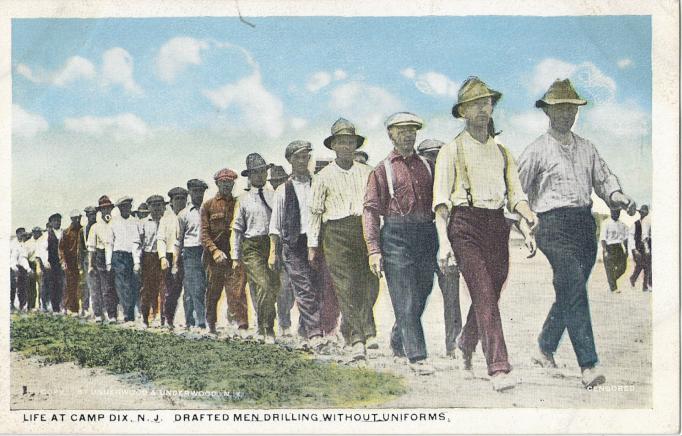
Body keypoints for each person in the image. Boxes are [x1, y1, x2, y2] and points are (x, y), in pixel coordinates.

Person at [518, 78, 636, 389]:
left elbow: (604, 179)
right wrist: (525, 223)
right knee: (572, 285)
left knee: (570, 291)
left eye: (572, 108)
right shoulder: (536, 151)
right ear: (548, 111)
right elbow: (517, 190)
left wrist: (617, 196)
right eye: (560, 108)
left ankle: (545, 347)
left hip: (586, 226)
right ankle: (589, 364)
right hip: (552, 227)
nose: (567, 114)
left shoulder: (587, 148)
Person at [433, 77, 537, 391]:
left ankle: (465, 341)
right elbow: (440, 202)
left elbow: (516, 195)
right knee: (483, 293)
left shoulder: (503, 152)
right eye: (475, 104)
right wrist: (443, 243)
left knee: (490, 293)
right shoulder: (451, 150)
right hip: (464, 226)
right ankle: (499, 367)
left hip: (497, 226)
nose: (482, 109)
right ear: (462, 111)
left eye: (487, 102)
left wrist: (528, 221)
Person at [364, 112, 439, 375]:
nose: (408, 135)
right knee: (404, 294)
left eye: (412, 130)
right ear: (390, 134)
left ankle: (398, 337)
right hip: (396, 235)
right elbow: (371, 211)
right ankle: (417, 356)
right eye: (402, 130)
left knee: (422, 291)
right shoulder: (381, 170)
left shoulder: (428, 166)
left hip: (426, 233)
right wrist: (374, 250)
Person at [309, 118, 379, 361]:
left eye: (350, 142)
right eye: (341, 142)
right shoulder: (323, 176)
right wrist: (313, 245)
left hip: (363, 230)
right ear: (333, 146)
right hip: (335, 233)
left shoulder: (368, 173)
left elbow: (376, 206)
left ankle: (362, 329)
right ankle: (358, 338)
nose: (346, 147)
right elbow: (315, 213)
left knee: (370, 284)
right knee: (346, 285)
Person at [269, 140, 329, 348]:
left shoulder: (318, 183)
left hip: (317, 242)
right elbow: (275, 225)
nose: (303, 161)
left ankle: (305, 329)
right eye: (298, 158)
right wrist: (273, 253)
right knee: (303, 287)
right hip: (293, 245)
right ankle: (314, 332)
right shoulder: (283, 190)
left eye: (306, 157)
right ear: (290, 160)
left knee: (316, 285)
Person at [417, 138, 462, 359]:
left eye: (437, 156)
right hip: (423, 246)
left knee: (452, 297)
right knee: (417, 296)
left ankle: (454, 345)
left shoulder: (451, 182)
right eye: (429, 157)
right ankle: (399, 339)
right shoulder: (416, 182)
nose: (434, 162)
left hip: (446, 244)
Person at [231, 153, 281, 343]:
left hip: (272, 243)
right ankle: (267, 328)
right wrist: (235, 257)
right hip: (251, 246)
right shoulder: (243, 200)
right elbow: (237, 230)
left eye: (263, 171)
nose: (260, 176)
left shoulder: (274, 195)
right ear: (249, 176)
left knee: (273, 287)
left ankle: (263, 325)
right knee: (263, 285)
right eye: (256, 173)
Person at [201, 168, 249, 335]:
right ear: (217, 184)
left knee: (237, 290)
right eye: (223, 183)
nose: (227, 186)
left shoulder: (239, 203)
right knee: (214, 291)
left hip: (234, 252)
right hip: (215, 257)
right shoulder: (208, 205)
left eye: (230, 183)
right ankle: (211, 325)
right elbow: (204, 234)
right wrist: (214, 251)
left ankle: (242, 325)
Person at [174, 179, 209, 330]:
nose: (198, 194)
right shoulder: (183, 214)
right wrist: (175, 262)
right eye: (195, 191)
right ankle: (200, 320)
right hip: (190, 252)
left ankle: (190, 319)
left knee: (200, 286)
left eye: (201, 191)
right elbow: (179, 239)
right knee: (196, 286)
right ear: (190, 193)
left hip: (206, 250)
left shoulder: (208, 209)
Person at [267, 165, 297, 337]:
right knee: (283, 287)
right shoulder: (268, 197)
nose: (277, 184)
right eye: (274, 181)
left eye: (280, 181)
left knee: (293, 288)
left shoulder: (289, 194)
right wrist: (273, 251)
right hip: (274, 246)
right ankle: (284, 322)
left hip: (290, 244)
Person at [109, 196, 141, 323]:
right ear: (119, 208)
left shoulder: (135, 221)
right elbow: (109, 243)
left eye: (128, 206)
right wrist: (108, 261)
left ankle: (130, 313)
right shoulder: (114, 222)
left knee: (132, 285)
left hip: (131, 256)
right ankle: (127, 315)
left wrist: (137, 261)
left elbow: (136, 242)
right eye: (123, 207)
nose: (126, 209)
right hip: (118, 256)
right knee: (122, 285)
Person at [138, 195, 167, 328]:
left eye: (159, 205)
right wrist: (137, 261)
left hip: (164, 257)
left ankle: (161, 317)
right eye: (153, 205)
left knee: (163, 288)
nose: (156, 208)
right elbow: (138, 243)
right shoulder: (143, 223)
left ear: (163, 206)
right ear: (149, 207)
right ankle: (144, 318)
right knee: (147, 288)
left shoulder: (167, 221)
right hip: (148, 257)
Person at [160, 187, 187, 329]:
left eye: (183, 198)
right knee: (172, 290)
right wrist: (163, 257)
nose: (180, 201)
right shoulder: (166, 220)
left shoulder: (189, 214)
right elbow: (161, 239)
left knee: (190, 289)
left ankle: (190, 321)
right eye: (177, 199)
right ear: (171, 202)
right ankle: (168, 318)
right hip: (170, 256)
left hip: (187, 255)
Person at [86, 196, 116, 323]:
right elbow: (91, 248)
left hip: (114, 255)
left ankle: (112, 314)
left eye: (108, 209)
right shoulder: (95, 227)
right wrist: (90, 265)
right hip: (100, 255)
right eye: (103, 209)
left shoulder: (115, 223)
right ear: (100, 211)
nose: (106, 211)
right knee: (98, 287)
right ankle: (99, 313)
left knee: (110, 287)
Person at [38, 213, 66, 313]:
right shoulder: (46, 235)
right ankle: (55, 308)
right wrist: (45, 261)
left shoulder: (64, 233)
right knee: (52, 285)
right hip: (51, 263)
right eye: (54, 220)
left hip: (62, 263)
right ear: (51, 222)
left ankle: (63, 306)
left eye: (58, 220)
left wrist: (64, 262)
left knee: (62, 284)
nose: (57, 222)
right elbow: (42, 250)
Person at [59, 209, 85, 315]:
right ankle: (68, 307)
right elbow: (61, 249)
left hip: (80, 262)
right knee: (69, 285)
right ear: (71, 219)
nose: (77, 220)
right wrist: (63, 261)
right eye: (75, 218)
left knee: (81, 286)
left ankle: (80, 308)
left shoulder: (83, 230)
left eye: (79, 218)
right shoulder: (66, 232)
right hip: (69, 263)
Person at [601, 208, 629, 293]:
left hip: (619, 247)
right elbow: (603, 238)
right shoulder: (606, 222)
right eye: (614, 211)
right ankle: (613, 288)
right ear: (611, 212)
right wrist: (605, 251)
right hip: (609, 247)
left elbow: (625, 239)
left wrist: (627, 250)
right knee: (610, 268)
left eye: (618, 212)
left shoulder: (622, 224)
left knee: (622, 268)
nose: (616, 213)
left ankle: (611, 281)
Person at [629, 205, 652, 292]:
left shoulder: (648, 223)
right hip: (637, 248)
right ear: (640, 213)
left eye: (645, 212)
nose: (643, 214)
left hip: (646, 247)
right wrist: (634, 250)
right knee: (641, 265)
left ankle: (644, 286)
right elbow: (631, 237)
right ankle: (633, 278)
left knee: (647, 266)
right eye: (642, 212)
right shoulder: (636, 224)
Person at [81, 206, 98, 317]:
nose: (92, 216)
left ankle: (101, 309)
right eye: (89, 214)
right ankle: (87, 308)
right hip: (87, 258)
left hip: (99, 257)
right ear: (86, 216)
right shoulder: (83, 230)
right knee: (89, 285)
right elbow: (81, 247)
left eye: (93, 214)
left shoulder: (99, 226)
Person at [10, 228, 30, 312]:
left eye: (23, 234)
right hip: (11, 267)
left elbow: (23, 258)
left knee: (22, 287)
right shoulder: (12, 244)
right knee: (12, 287)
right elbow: (12, 258)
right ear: (17, 233)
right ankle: (11, 304)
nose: (22, 235)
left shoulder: (23, 244)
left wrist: (28, 269)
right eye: (21, 234)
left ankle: (22, 305)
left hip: (21, 268)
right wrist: (14, 268)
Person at [25, 227, 44, 311]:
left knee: (41, 286)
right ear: (32, 233)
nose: (37, 234)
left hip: (41, 264)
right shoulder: (28, 243)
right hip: (31, 264)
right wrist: (28, 268)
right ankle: (31, 306)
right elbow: (25, 257)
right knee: (31, 286)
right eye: (35, 232)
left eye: (39, 232)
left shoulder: (42, 241)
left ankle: (41, 305)